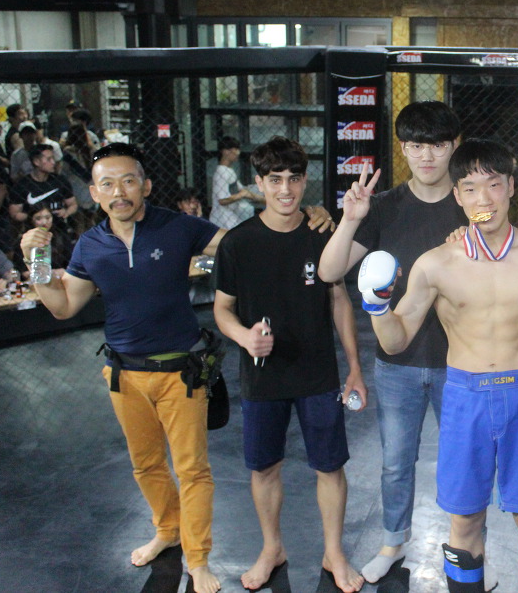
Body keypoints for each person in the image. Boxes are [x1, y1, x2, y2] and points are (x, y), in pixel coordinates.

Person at [19, 142, 332, 593]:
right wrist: (36, 261)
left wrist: (306, 216)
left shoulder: (177, 226)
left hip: (181, 372)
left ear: (145, 185)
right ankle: (168, 531)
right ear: (94, 192)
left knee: (192, 470)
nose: (119, 192)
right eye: (108, 184)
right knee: (146, 466)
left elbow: (245, 241)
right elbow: (63, 306)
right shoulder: (91, 245)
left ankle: (198, 558)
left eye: (128, 181)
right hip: (124, 374)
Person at [360, 139, 518, 593]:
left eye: (493, 184)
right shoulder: (435, 264)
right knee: (464, 522)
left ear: (511, 187)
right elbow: (396, 341)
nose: (483, 198)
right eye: (470, 188)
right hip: (463, 397)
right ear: (457, 195)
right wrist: (376, 304)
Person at [318, 100, 469, 585]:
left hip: (461, 360)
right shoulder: (382, 206)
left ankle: (468, 550)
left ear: (454, 146)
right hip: (397, 360)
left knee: (463, 463)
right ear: (403, 148)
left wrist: (476, 245)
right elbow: (329, 271)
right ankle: (392, 543)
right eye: (416, 146)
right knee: (396, 463)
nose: (427, 156)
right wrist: (350, 218)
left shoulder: (472, 202)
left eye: (437, 145)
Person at [213, 137, 367, 593]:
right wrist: (244, 336)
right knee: (264, 467)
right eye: (275, 179)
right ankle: (271, 548)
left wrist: (354, 366)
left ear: (305, 181)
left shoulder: (322, 232)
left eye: (294, 179)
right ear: (258, 183)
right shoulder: (237, 243)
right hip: (263, 375)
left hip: (317, 372)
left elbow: (339, 301)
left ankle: (334, 552)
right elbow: (222, 309)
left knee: (330, 466)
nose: (286, 189)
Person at [8, 144, 77, 231]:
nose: (53, 162)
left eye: (53, 158)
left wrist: (66, 212)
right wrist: (34, 217)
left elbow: (73, 204)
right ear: (36, 162)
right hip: (33, 231)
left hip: (59, 230)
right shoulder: (22, 185)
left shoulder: (60, 181)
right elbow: (14, 213)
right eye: (49, 159)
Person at [209, 136, 262, 230]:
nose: (238, 152)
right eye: (236, 149)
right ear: (225, 151)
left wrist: (266, 200)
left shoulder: (229, 170)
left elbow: (243, 191)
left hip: (230, 218)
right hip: (222, 220)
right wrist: (241, 195)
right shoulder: (221, 172)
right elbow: (222, 200)